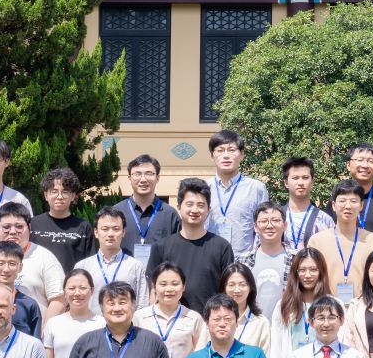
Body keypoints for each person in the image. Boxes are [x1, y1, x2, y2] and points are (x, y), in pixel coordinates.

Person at [0, 205, 66, 316]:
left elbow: (59, 299)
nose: (13, 231)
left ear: (29, 227)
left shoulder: (45, 257)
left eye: (19, 227)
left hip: (33, 326)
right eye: (6, 227)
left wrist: (45, 326)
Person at [150, 178, 235, 313]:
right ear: (179, 207)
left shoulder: (222, 247)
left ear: (208, 209)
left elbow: (228, 291)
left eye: (201, 205)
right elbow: (153, 290)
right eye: (189, 204)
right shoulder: (161, 247)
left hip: (210, 320)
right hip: (170, 320)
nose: (194, 210)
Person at [307, 179, 373, 304]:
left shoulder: (372, 240)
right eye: (342, 201)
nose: (348, 206)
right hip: (327, 308)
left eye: (353, 201)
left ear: (361, 205)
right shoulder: (317, 241)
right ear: (333, 205)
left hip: (363, 307)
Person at [207, 128, 270, 254]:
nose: (226, 155)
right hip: (210, 257)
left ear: (242, 154)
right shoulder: (204, 188)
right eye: (220, 150)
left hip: (244, 260)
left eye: (231, 150)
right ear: (212, 155)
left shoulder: (256, 188)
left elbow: (263, 226)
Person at [75, 207, 148, 313]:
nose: (110, 234)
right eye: (105, 229)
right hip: (91, 322)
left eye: (116, 229)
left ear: (123, 232)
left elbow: (142, 305)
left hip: (125, 323)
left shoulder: (135, 266)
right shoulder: (82, 267)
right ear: (96, 232)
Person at [29, 167, 97, 273]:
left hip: (72, 282)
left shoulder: (83, 227)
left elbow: (90, 263)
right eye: (54, 191)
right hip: (38, 281)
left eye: (65, 192)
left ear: (73, 196)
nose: (59, 196)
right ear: (46, 195)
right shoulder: (33, 224)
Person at [115, 154, 182, 260]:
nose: (143, 179)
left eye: (149, 174)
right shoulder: (116, 212)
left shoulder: (170, 214)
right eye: (137, 174)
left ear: (157, 178)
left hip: (159, 270)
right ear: (129, 178)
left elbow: (178, 251)